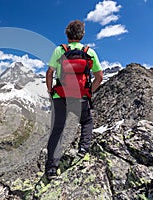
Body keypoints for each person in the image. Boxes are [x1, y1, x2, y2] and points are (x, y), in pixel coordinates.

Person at [45, 20, 103, 179]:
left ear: (67, 35)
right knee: (87, 121)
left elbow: (49, 73)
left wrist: (51, 91)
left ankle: (51, 169)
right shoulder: (89, 52)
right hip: (80, 97)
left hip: (60, 96)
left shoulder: (59, 50)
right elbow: (100, 76)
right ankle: (83, 150)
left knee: (57, 131)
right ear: (82, 35)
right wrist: (89, 91)